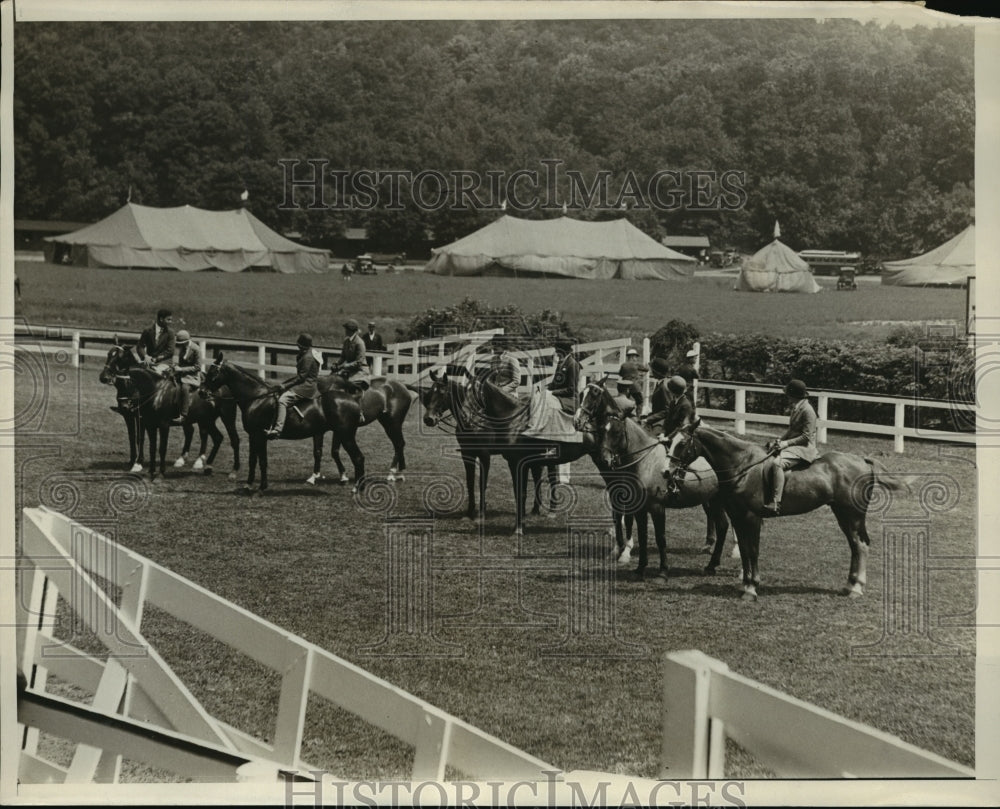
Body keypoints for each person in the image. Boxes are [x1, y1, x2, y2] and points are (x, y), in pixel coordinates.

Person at [761, 379, 818, 515]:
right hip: (795, 444)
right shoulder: (797, 407)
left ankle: (776, 502)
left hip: (805, 448)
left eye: (788, 394)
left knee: (777, 463)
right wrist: (780, 440)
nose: (787, 396)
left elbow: (806, 437)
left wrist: (785, 444)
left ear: (792, 395)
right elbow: (792, 430)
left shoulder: (808, 411)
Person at [267, 333, 320, 439]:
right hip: (306, 384)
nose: (298, 347)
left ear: (302, 346)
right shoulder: (308, 354)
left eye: (299, 345)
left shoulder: (308, 357)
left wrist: (285, 385)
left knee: (282, 400)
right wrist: (284, 384)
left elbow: (301, 377)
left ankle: (278, 429)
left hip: (306, 387)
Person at [333, 319, 371, 414]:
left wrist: (344, 366)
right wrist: (337, 364)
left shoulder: (360, 343)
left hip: (360, 370)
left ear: (351, 330)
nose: (345, 331)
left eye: (346, 329)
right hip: (350, 369)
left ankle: (359, 411)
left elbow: (359, 362)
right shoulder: (346, 341)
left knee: (350, 383)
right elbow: (343, 356)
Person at [169, 330, 203, 425]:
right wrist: (174, 366)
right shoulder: (181, 348)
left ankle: (183, 415)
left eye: (182, 343)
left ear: (188, 341)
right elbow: (178, 361)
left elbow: (198, 367)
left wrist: (181, 369)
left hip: (192, 376)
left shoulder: (196, 349)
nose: (180, 346)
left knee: (184, 388)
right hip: (180, 374)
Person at [136, 308, 176, 375]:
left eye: (171, 320)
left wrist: (155, 359)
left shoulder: (170, 333)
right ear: (161, 319)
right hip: (148, 362)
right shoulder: (147, 331)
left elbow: (170, 351)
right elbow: (140, 346)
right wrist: (145, 356)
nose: (170, 322)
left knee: (156, 374)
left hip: (164, 362)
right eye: (168, 319)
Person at [547, 337, 580, 414]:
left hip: (569, 400)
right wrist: (545, 389)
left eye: (557, 351)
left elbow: (572, 389)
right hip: (559, 397)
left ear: (563, 351)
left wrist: (552, 393)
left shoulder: (573, 365)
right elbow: (555, 383)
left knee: (544, 401)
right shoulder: (561, 363)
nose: (556, 354)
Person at [486, 333, 521, 398]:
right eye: (493, 344)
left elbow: (516, 381)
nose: (494, 347)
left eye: (496, 344)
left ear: (503, 345)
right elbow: (491, 378)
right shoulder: (493, 360)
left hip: (509, 395)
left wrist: (502, 390)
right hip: (495, 394)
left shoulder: (512, 359)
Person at [620, 347, 647, 413]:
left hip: (624, 386)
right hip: (634, 386)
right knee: (640, 402)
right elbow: (646, 369)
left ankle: (623, 415)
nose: (636, 359)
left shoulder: (623, 365)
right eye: (635, 357)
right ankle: (638, 417)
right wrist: (640, 374)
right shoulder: (637, 364)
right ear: (632, 357)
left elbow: (620, 374)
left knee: (624, 401)